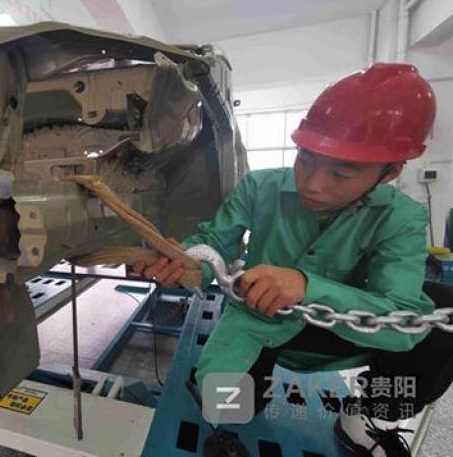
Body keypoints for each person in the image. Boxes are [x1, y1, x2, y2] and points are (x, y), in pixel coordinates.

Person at [133, 63, 453, 456]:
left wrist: (307, 287)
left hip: (338, 326)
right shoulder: (259, 187)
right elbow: (215, 242)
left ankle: (366, 417)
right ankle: (226, 393)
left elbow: (402, 322)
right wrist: (189, 264)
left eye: (341, 174)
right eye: (305, 159)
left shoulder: (401, 218)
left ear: (391, 172)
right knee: (229, 405)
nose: (312, 184)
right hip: (258, 319)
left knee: (442, 312)